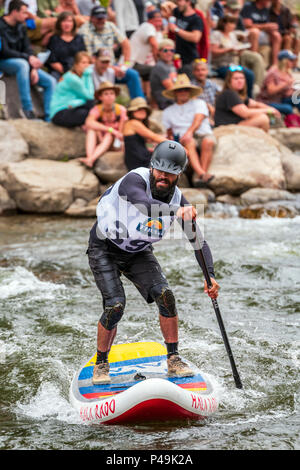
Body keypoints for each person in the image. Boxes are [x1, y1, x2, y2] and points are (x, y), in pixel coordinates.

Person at [87, 140, 220, 384]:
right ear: (152, 167)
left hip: (137, 252)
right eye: (159, 170)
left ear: (179, 173)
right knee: (115, 305)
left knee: (166, 295)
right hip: (104, 248)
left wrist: (209, 274)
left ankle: (173, 359)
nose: (163, 176)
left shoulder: (180, 202)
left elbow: (198, 242)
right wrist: (176, 212)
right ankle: (101, 363)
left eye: (170, 173)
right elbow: (143, 204)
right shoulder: (134, 181)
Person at [0, 0, 56, 121]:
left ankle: (49, 117)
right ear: (14, 12)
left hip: (24, 63)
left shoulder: (21, 27)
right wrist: (28, 59)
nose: (27, 16)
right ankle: (27, 110)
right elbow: (4, 51)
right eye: (24, 13)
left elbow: (27, 48)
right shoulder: (1, 25)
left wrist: (33, 67)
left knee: (50, 81)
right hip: (4, 62)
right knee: (22, 64)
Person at [162, 74, 216, 187]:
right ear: (175, 92)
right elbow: (169, 132)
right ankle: (202, 174)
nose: (183, 92)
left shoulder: (199, 103)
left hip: (202, 133)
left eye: (186, 89)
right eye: (180, 90)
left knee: (208, 141)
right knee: (189, 141)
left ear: (190, 91)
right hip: (183, 139)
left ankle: (200, 176)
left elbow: (199, 119)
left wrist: (189, 132)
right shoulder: (167, 111)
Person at [210, 15, 265, 97]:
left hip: (233, 64)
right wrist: (227, 50)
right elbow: (213, 51)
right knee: (243, 75)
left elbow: (235, 49)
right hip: (221, 66)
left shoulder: (232, 35)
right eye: (231, 23)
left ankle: (248, 97)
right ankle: (246, 98)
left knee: (249, 74)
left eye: (234, 23)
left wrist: (239, 50)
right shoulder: (217, 34)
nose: (233, 26)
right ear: (224, 24)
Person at [214, 65, 281, 131]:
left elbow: (256, 104)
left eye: (242, 78)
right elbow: (246, 113)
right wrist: (268, 111)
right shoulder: (229, 93)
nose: (240, 81)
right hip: (226, 128)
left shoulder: (238, 94)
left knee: (260, 114)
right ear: (229, 81)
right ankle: (263, 139)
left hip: (235, 126)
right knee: (262, 118)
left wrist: (270, 109)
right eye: (236, 79)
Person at [79, 81, 127, 168]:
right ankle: (90, 157)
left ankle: (90, 159)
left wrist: (113, 133)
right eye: (106, 94)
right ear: (100, 97)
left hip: (114, 143)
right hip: (100, 140)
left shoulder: (120, 110)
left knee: (108, 135)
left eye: (112, 93)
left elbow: (121, 131)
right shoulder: (97, 109)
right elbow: (89, 122)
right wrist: (110, 129)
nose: (109, 96)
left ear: (115, 96)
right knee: (91, 130)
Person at [50, 51, 95, 127]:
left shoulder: (80, 76)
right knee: (91, 110)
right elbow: (90, 96)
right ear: (76, 64)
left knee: (93, 108)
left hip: (71, 108)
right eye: (83, 63)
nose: (86, 66)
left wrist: (76, 102)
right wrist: (88, 76)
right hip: (59, 113)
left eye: (88, 63)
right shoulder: (72, 78)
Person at [123, 96, 166, 170]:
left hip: (141, 157)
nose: (142, 111)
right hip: (138, 161)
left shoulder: (137, 124)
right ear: (132, 112)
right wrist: (176, 146)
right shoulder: (133, 123)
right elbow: (154, 137)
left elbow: (148, 141)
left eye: (144, 109)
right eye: (139, 109)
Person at [130, 8, 164, 97]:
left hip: (141, 64)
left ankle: (147, 96)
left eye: (160, 21)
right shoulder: (147, 26)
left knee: (152, 71)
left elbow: (161, 48)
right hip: (130, 63)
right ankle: (155, 98)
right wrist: (159, 63)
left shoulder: (159, 33)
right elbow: (154, 45)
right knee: (157, 69)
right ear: (149, 20)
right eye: (156, 21)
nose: (159, 24)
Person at [167, 0, 204, 77]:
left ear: (188, 2)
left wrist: (176, 30)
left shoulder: (196, 19)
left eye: (180, 1)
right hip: (177, 58)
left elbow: (195, 37)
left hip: (189, 59)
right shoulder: (178, 12)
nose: (178, 3)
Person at [257, 49, 299, 115]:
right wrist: (286, 83)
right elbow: (270, 91)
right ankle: (292, 122)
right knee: (288, 108)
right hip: (268, 101)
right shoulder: (273, 72)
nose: (293, 62)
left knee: (298, 100)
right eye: (291, 60)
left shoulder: (287, 72)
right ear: (284, 61)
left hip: (280, 100)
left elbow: (287, 93)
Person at [46, 11, 86, 80]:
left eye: (70, 21)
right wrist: (68, 74)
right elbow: (53, 61)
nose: (67, 24)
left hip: (78, 71)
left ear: (73, 24)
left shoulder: (79, 38)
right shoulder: (54, 39)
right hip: (60, 72)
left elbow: (83, 57)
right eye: (64, 21)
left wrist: (76, 72)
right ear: (59, 23)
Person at [240, 0, 282, 66]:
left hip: (262, 33)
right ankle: (255, 63)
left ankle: (275, 65)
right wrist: (265, 26)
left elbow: (266, 24)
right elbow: (247, 25)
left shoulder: (266, 10)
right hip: (248, 33)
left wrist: (270, 28)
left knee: (277, 35)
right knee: (255, 32)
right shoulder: (248, 6)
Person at [149, 38, 178, 109]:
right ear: (159, 52)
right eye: (165, 50)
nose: (169, 53)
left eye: (172, 50)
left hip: (173, 100)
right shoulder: (160, 67)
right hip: (165, 103)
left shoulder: (171, 66)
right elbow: (171, 88)